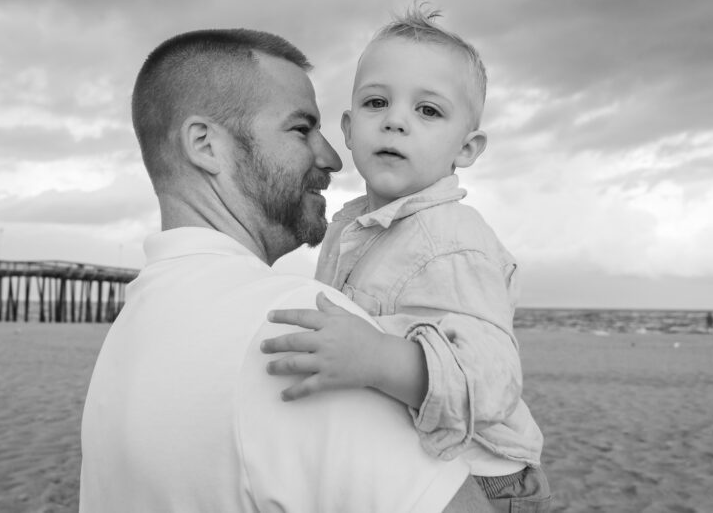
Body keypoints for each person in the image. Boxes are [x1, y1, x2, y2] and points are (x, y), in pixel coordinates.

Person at [79, 28, 492, 512]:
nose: (333, 158)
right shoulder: (295, 325)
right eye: (301, 129)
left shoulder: (127, 336)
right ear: (205, 145)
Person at [260, 6, 551, 512]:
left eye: (428, 111)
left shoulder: (455, 241)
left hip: (479, 475)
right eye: (377, 102)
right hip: (410, 467)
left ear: (467, 148)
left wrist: (375, 358)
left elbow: (494, 382)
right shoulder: (350, 227)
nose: (395, 121)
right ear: (348, 130)